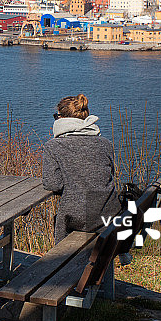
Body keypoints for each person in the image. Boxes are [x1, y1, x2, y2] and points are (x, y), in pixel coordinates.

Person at [42, 94, 120, 245]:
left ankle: (63, 267)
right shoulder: (105, 144)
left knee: (66, 217)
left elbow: (53, 185)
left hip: (76, 216)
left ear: (61, 118)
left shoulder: (53, 146)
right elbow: (107, 176)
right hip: (108, 212)